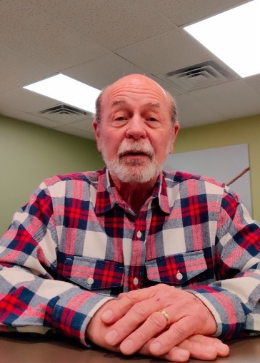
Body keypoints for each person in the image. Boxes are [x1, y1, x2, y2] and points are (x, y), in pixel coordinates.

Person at [0, 74, 259, 362]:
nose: (136, 130)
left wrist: (207, 307)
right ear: (99, 135)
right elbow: (4, 276)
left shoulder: (216, 200)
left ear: (171, 137)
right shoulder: (54, 198)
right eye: (121, 117)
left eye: (151, 119)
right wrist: (97, 316)